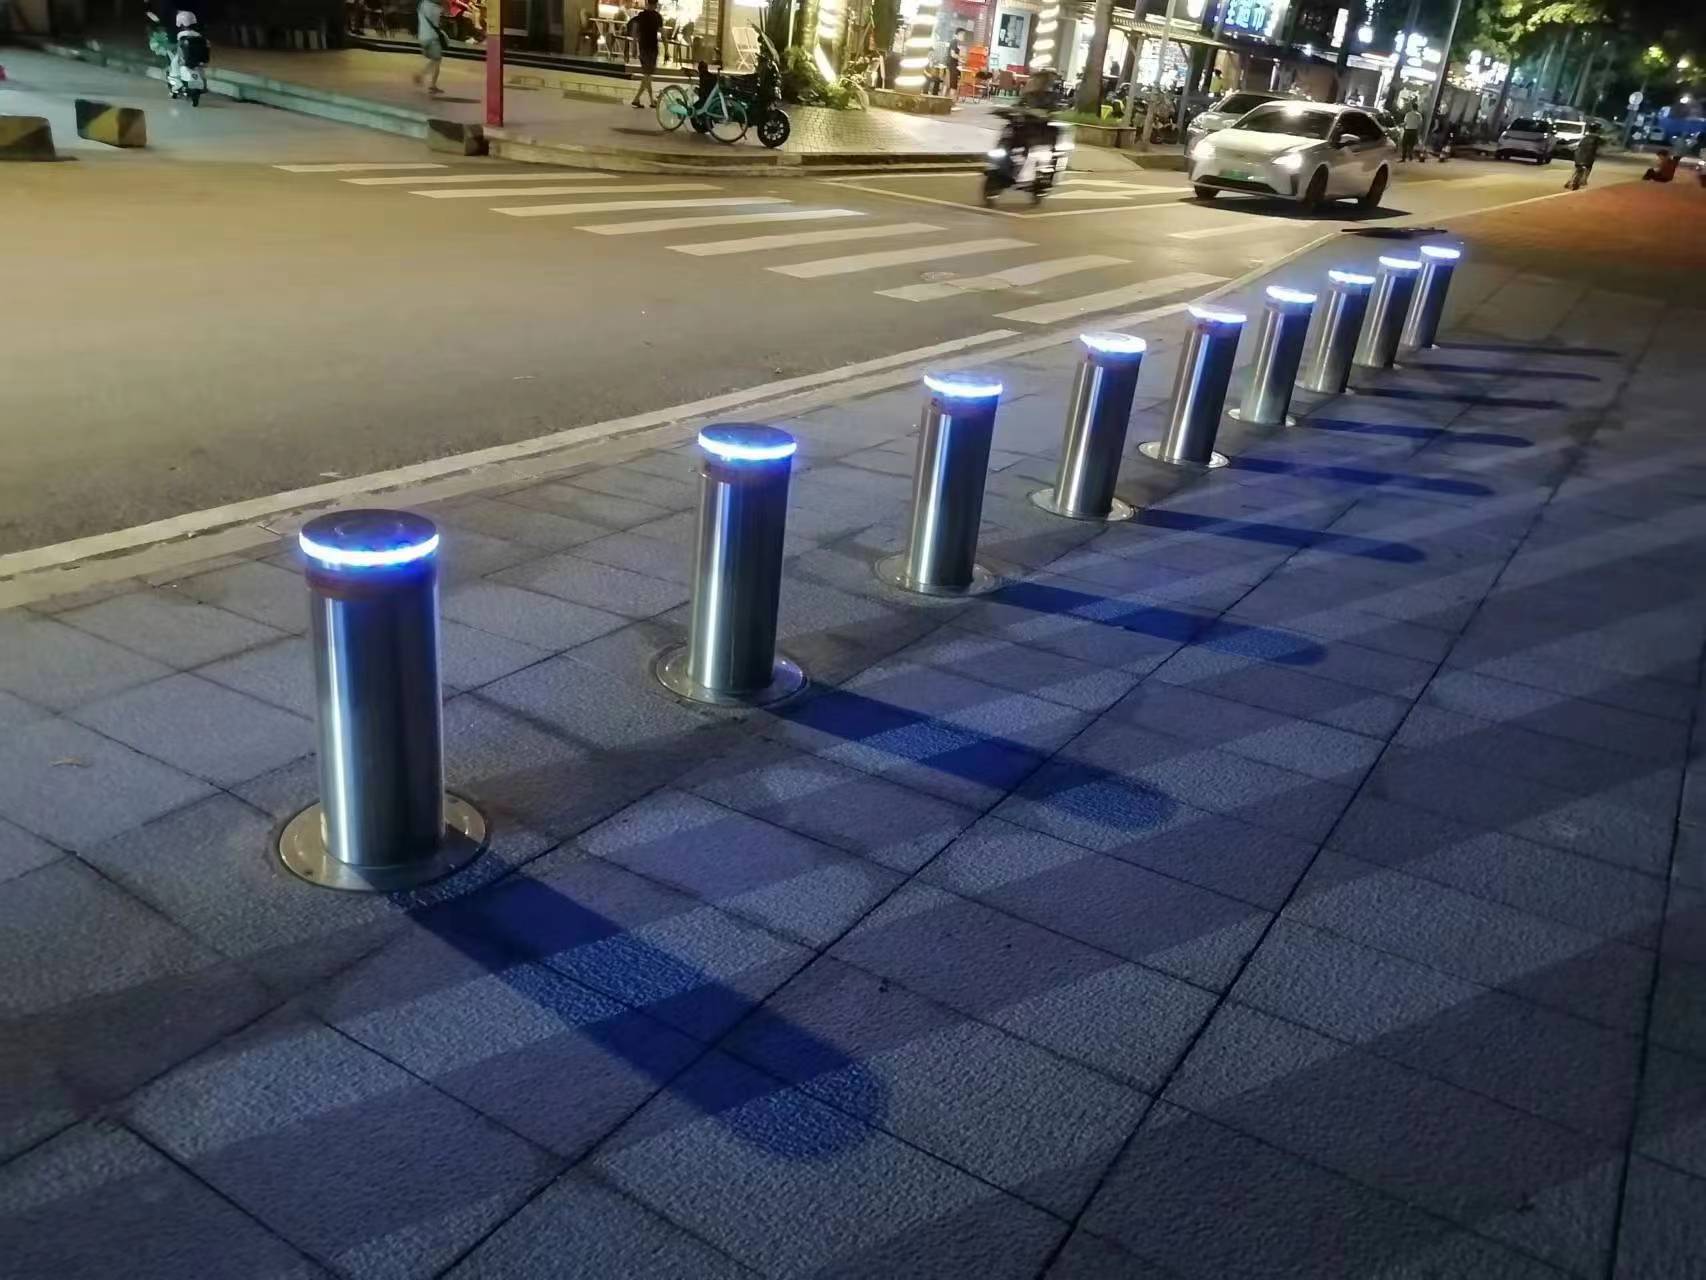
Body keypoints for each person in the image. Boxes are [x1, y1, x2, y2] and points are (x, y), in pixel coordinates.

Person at [627, 0, 662, 108]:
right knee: (648, 75)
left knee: (647, 75)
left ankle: (651, 100)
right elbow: (663, 33)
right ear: (656, 4)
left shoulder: (640, 16)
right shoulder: (657, 16)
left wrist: (633, 46)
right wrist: (667, 50)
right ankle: (637, 98)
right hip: (652, 49)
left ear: (647, 4)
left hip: (643, 48)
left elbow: (634, 30)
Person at [412, 0, 445, 95]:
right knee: (437, 60)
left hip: (422, 36)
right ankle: (430, 83)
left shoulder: (422, 4)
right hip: (432, 37)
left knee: (435, 59)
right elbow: (437, 23)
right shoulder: (436, 8)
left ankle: (422, 76)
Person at [1566, 122, 1601, 190]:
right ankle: (1584, 180)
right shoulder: (1596, 138)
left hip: (1579, 155)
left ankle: (1570, 181)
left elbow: (1577, 145)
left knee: (1577, 168)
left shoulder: (1585, 137)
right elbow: (1598, 148)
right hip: (1588, 156)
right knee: (1588, 167)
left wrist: (1570, 147)